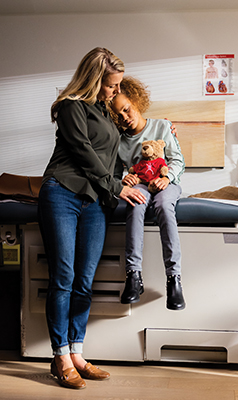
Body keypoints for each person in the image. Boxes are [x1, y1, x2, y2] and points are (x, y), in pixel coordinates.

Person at [38, 48, 147, 390]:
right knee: (64, 277)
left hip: (96, 202)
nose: (115, 92)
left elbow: (121, 145)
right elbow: (84, 152)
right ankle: (60, 356)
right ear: (95, 79)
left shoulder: (105, 110)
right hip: (63, 194)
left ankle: (78, 353)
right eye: (111, 86)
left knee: (85, 280)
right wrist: (116, 186)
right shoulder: (72, 106)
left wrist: (160, 129)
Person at [110, 76, 186, 311]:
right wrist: (126, 180)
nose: (125, 117)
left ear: (135, 101)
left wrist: (166, 177)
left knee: (163, 206)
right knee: (136, 203)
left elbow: (178, 161)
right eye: (119, 116)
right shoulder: (120, 142)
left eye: (127, 110)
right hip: (141, 184)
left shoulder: (162, 126)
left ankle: (174, 279)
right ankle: (133, 276)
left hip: (166, 183)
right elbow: (115, 175)